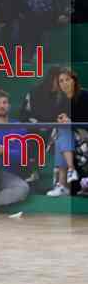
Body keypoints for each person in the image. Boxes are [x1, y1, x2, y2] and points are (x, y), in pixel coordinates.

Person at [46, 68, 88, 196]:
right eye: (61, 81)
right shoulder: (60, 100)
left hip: (84, 133)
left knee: (62, 134)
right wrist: (60, 119)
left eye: (67, 80)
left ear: (74, 81)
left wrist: (71, 121)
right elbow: (53, 118)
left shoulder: (85, 96)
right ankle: (70, 170)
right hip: (68, 135)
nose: (64, 83)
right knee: (62, 131)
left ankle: (63, 183)